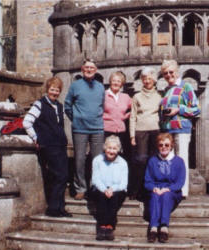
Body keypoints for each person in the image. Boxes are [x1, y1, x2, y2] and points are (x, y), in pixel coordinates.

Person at [23, 76, 72, 217]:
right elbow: (27, 122)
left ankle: (60, 208)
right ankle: (53, 208)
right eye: (52, 89)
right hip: (49, 145)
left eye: (57, 90)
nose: (54, 93)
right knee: (59, 175)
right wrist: (35, 137)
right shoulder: (40, 104)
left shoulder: (59, 106)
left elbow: (59, 126)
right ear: (47, 89)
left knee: (63, 176)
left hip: (60, 145)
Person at [65, 58, 105, 200]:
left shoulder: (100, 87)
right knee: (79, 159)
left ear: (95, 70)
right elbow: (67, 105)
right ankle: (81, 188)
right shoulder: (75, 86)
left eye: (92, 68)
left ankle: (95, 187)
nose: (89, 70)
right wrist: (76, 118)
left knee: (97, 160)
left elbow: (103, 106)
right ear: (82, 70)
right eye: (87, 67)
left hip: (97, 129)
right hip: (80, 129)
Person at [160, 59, 200, 197]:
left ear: (177, 72)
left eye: (171, 72)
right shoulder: (166, 90)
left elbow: (196, 110)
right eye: (165, 73)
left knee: (181, 159)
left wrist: (179, 110)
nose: (168, 75)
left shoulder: (185, 87)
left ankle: (182, 191)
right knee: (169, 161)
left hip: (182, 129)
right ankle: (172, 188)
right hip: (168, 130)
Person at [144, 133, 185, 243]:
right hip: (157, 188)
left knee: (166, 195)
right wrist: (153, 188)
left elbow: (180, 182)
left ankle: (164, 227)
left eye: (166, 145)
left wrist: (169, 189)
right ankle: (153, 228)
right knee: (155, 195)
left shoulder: (179, 161)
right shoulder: (153, 161)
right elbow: (147, 181)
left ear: (171, 146)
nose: (164, 147)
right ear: (158, 146)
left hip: (172, 191)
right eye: (161, 145)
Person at [129, 67, 162, 200]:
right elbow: (132, 116)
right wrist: (132, 135)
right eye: (144, 78)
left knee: (153, 160)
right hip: (140, 131)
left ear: (154, 80)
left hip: (155, 130)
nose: (147, 81)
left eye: (149, 78)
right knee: (140, 160)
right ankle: (137, 190)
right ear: (141, 80)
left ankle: (150, 190)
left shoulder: (159, 96)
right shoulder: (137, 96)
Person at [91, 135, 128, 241]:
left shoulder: (123, 163)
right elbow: (96, 180)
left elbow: (123, 183)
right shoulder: (97, 160)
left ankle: (110, 227)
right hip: (100, 188)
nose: (111, 151)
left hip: (117, 189)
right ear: (105, 148)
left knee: (114, 197)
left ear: (118, 150)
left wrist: (112, 189)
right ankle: (102, 227)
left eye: (114, 148)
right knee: (102, 196)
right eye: (109, 148)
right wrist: (105, 190)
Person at [103, 71, 132, 158]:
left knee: (120, 155)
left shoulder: (125, 97)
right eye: (114, 80)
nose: (116, 83)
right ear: (110, 82)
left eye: (118, 81)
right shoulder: (103, 95)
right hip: (106, 131)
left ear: (122, 84)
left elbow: (135, 108)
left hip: (121, 131)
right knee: (106, 155)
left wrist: (127, 115)